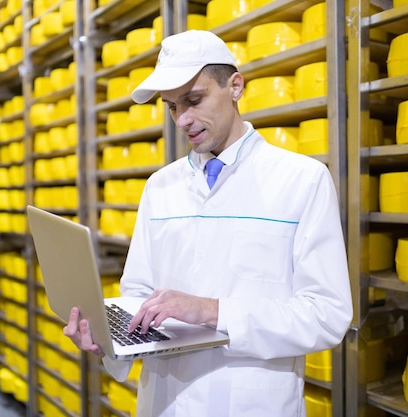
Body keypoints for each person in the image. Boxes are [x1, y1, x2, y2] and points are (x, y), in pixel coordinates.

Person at [64, 30, 352, 417]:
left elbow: (326, 314)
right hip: (164, 403)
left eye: (194, 100)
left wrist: (213, 311)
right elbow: (138, 292)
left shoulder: (302, 179)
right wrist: (111, 340)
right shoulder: (160, 186)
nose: (182, 119)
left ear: (235, 86)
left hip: (251, 403)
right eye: (171, 106)